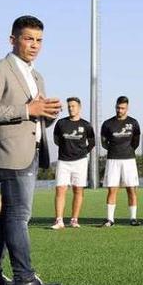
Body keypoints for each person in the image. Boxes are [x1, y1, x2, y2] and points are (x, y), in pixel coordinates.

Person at [0, 15, 62, 285]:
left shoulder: (37, 76)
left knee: (9, 216)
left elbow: (36, 115)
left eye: (39, 40)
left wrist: (46, 114)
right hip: (10, 152)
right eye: (28, 38)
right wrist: (28, 111)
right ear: (12, 40)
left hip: (33, 150)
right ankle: (24, 278)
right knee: (19, 215)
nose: (34, 45)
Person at [50, 97, 95, 230]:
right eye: (69, 106)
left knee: (78, 190)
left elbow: (92, 143)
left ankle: (74, 220)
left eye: (73, 106)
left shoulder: (86, 125)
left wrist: (82, 152)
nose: (71, 108)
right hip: (63, 161)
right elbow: (56, 139)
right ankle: (59, 220)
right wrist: (67, 149)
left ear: (79, 108)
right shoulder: (61, 123)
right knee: (60, 189)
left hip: (80, 162)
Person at [100, 96, 141, 227]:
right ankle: (110, 219)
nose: (120, 110)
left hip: (129, 160)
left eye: (122, 108)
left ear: (127, 108)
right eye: (118, 107)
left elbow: (136, 142)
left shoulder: (134, 123)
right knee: (112, 189)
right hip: (113, 160)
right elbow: (104, 143)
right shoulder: (107, 124)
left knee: (131, 189)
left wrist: (127, 150)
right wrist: (114, 149)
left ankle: (133, 218)